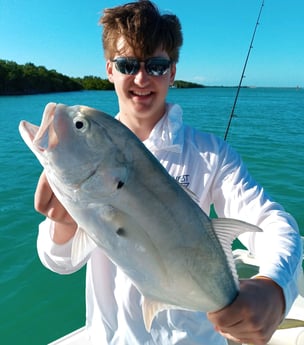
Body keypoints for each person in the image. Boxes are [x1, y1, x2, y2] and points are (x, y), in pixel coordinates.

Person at [35, 1, 302, 344]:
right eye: (128, 64)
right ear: (109, 70)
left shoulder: (211, 156)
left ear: (173, 72)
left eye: (157, 66)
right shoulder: (84, 155)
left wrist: (275, 288)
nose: (142, 78)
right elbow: (59, 262)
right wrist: (64, 222)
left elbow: (270, 221)